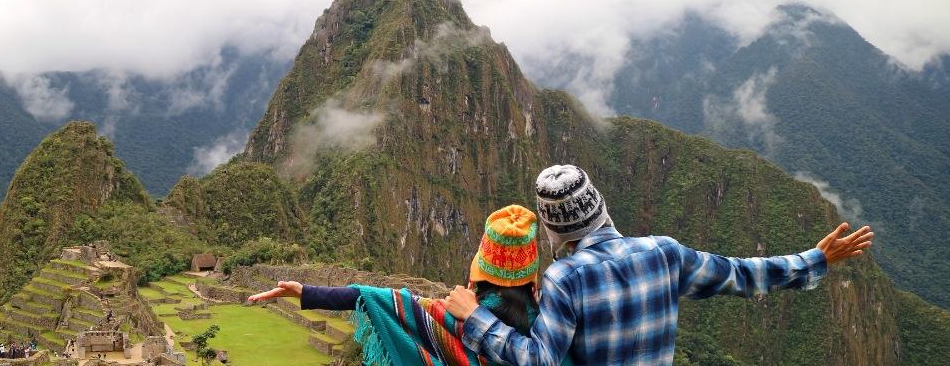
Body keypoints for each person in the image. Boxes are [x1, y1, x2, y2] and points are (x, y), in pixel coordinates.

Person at [442, 165, 875, 365]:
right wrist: (815, 259)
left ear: (554, 234)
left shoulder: (565, 277)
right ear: (602, 210)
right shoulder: (664, 253)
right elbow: (741, 275)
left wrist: (476, 318)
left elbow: (538, 360)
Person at [250, 205, 571, 365]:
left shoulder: (451, 318)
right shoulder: (555, 325)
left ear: (481, 267)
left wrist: (305, 291)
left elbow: (384, 299)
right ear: (531, 272)